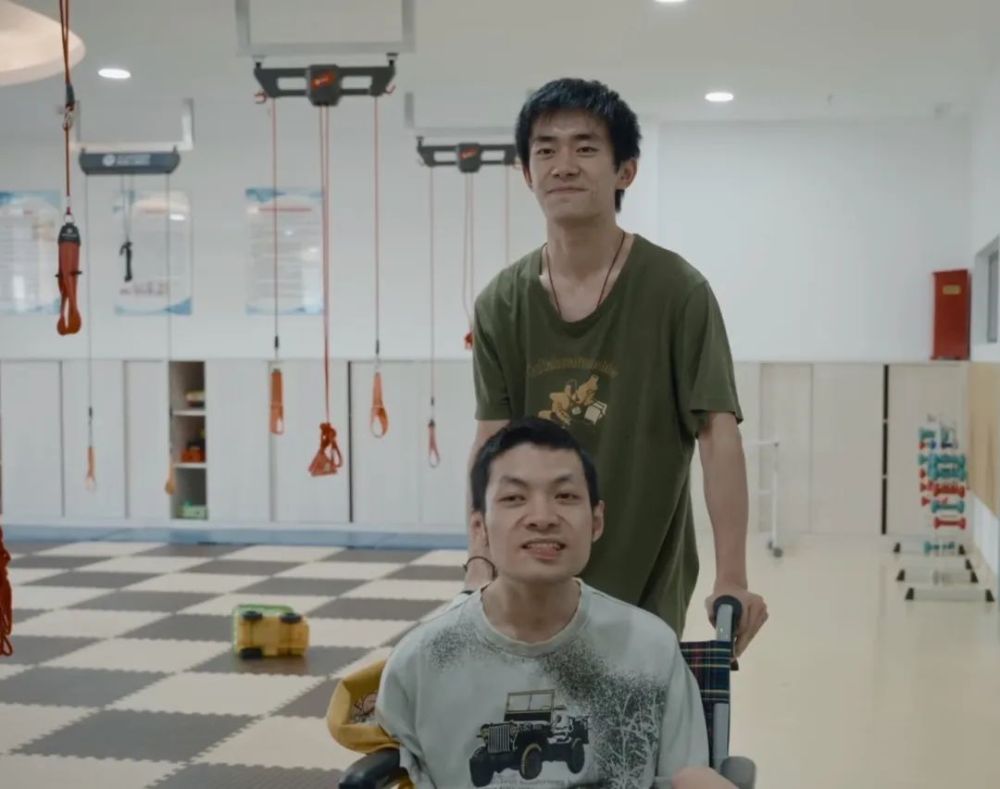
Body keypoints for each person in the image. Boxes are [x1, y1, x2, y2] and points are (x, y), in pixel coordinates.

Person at [465, 78, 767, 653]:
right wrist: (479, 555)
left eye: (585, 147)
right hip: (528, 582)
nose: (563, 165)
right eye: (545, 150)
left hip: (643, 583)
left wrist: (732, 576)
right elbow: (490, 438)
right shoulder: (501, 302)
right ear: (527, 173)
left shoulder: (677, 291)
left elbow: (717, 432)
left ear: (625, 170)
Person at [376, 418, 734, 788]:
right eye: (514, 498)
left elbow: (688, 776)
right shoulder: (420, 662)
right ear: (479, 528)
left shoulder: (650, 649)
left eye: (565, 496)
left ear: (596, 521)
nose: (543, 518)